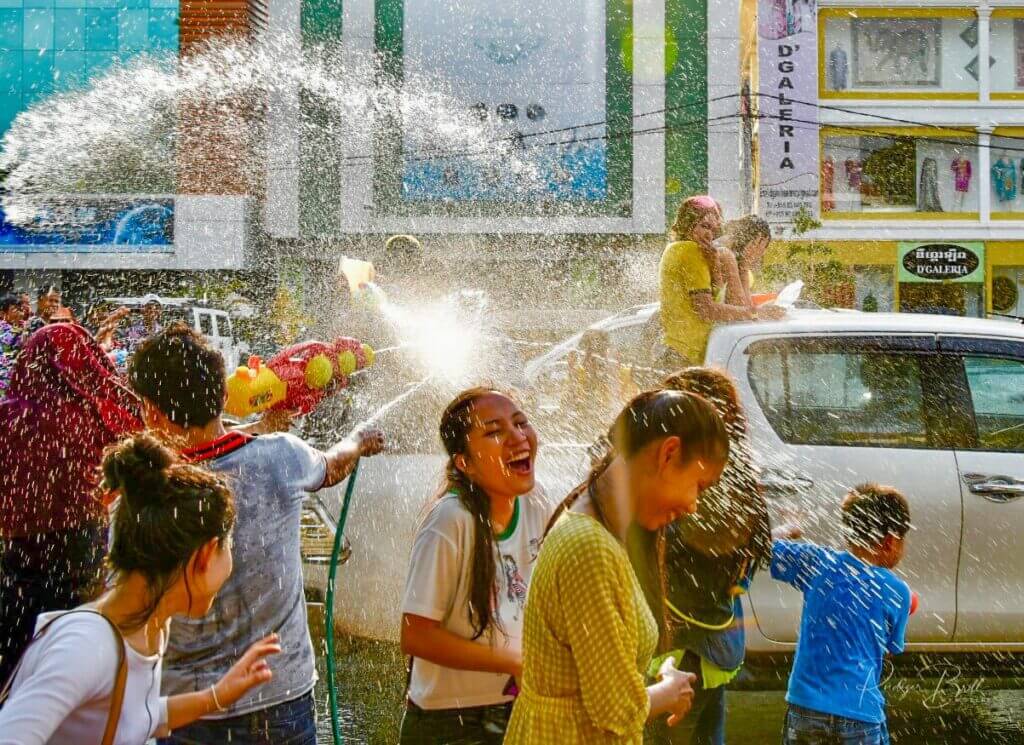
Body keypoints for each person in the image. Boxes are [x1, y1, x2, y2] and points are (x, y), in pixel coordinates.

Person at [126, 323, 385, 745]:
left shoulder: (141, 489)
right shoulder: (280, 458)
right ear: (224, 396)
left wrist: (266, 424)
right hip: (279, 697)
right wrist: (357, 440)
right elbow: (333, 464)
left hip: (187, 708)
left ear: (151, 412)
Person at [0, 434, 282, 744]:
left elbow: (136, 717)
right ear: (205, 554)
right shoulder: (86, 646)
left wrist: (216, 696)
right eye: (228, 547)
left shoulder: (149, 627)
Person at [506, 390, 731, 745]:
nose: (693, 505)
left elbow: (597, 676)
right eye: (698, 486)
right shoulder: (589, 547)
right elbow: (614, 711)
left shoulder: (600, 530)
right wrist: (668, 692)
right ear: (669, 453)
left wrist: (654, 679)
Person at [399, 388, 554, 744]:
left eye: (520, 423)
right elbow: (416, 635)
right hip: (449, 723)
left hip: (516, 708)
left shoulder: (536, 502)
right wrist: (514, 662)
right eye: (494, 431)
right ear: (463, 462)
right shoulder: (450, 522)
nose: (517, 436)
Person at [0, 323, 142, 685]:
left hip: (17, 549)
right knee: (74, 646)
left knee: (15, 645)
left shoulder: (7, 416)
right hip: (82, 546)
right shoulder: (94, 412)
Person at [649, 368, 773, 745]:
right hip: (714, 652)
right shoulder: (733, 471)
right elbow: (739, 564)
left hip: (680, 654)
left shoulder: (692, 482)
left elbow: (681, 564)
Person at [772, 484, 913, 745]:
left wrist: (788, 530)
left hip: (806, 709)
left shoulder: (816, 562)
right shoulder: (898, 591)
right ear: (890, 541)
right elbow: (890, 649)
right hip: (861, 715)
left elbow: (759, 548)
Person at [658, 197, 783, 367]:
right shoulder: (689, 250)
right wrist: (756, 313)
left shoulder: (692, 251)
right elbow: (708, 309)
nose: (709, 234)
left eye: (713, 229)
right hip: (683, 357)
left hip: (686, 355)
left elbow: (721, 300)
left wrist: (722, 266)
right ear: (688, 223)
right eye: (704, 226)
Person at [718, 216, 772, 309]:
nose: (763, 252)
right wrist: (744, 266)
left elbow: (746, 307)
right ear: (754, 242)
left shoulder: (742, 265)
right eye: (762, 245)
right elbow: (740, 308)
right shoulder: (724, 255)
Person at [0, 293, 27, 399]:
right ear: (2, 313)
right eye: (15, 309)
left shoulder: (17, 328)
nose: (20, 313)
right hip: (5, 380)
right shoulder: (4, 329)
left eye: (20, 309)